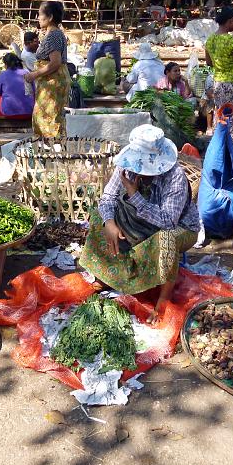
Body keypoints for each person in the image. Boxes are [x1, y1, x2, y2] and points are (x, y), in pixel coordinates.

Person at [79, 124, 200, 323]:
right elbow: (108, 197)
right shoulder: (127, 165)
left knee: (166, 239)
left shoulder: (175, 176)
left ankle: (163, 300)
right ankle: (111, 277)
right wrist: (109, 223)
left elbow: (168, 221)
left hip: (178, 227)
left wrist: (134, 194)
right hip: (139, 221)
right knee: (98, 217)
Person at [205, 6, 233, 151]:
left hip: (219, 83)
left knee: (222, 117)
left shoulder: (210, 39)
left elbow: (209, 62)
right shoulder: (232, 40)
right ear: (230, 21)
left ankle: (221, 149)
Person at [24, 1, 70, 136]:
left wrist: (34, 75)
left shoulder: (54, 35)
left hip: (53, 83)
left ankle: (52, 151)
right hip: (53, 81)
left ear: (50, 17)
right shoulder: (53, 34)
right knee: (50, 117)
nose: (38, 17)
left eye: (40, 14)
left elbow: (55, 62)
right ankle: (52, 150)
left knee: (48, 118)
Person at [0, 53, 34, 118]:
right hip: (29, 112)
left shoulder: (3, 74)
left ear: (6, 64)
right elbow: (33, 91)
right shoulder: (26, 73)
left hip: (10, 114)